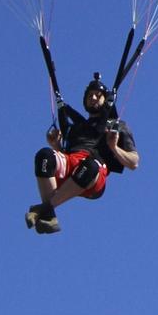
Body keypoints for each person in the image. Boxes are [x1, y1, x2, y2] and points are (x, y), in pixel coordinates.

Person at [26, 75, 137, 234]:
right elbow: (63, 154)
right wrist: (55, 145)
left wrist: (113, 147)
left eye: (97, 95)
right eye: (89, 95)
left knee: (89, 165)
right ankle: (48, 215)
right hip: (71, 166)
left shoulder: (117, 127)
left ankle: (45, 208)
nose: (92, 98)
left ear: (106, 100)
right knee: (44, 155)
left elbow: (134, 162)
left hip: (94, 175)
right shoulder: (75, 128)